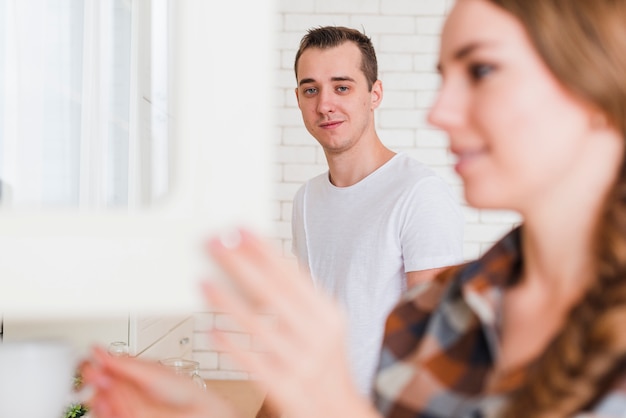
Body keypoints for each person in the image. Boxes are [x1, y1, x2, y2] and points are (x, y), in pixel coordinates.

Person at [82, 0, 626, 417]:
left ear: (594, 83)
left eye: (481, 70)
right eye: (309, 88)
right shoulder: (478, 294)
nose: (440, 111)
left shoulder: (422, 199)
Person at [285, 25, 465, 400]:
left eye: (343, 87)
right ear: (299, 98)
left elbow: (432, 350)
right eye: (311, 89)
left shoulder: (418, 193)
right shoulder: (306, 200)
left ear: (374, 94)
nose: (324, 104)